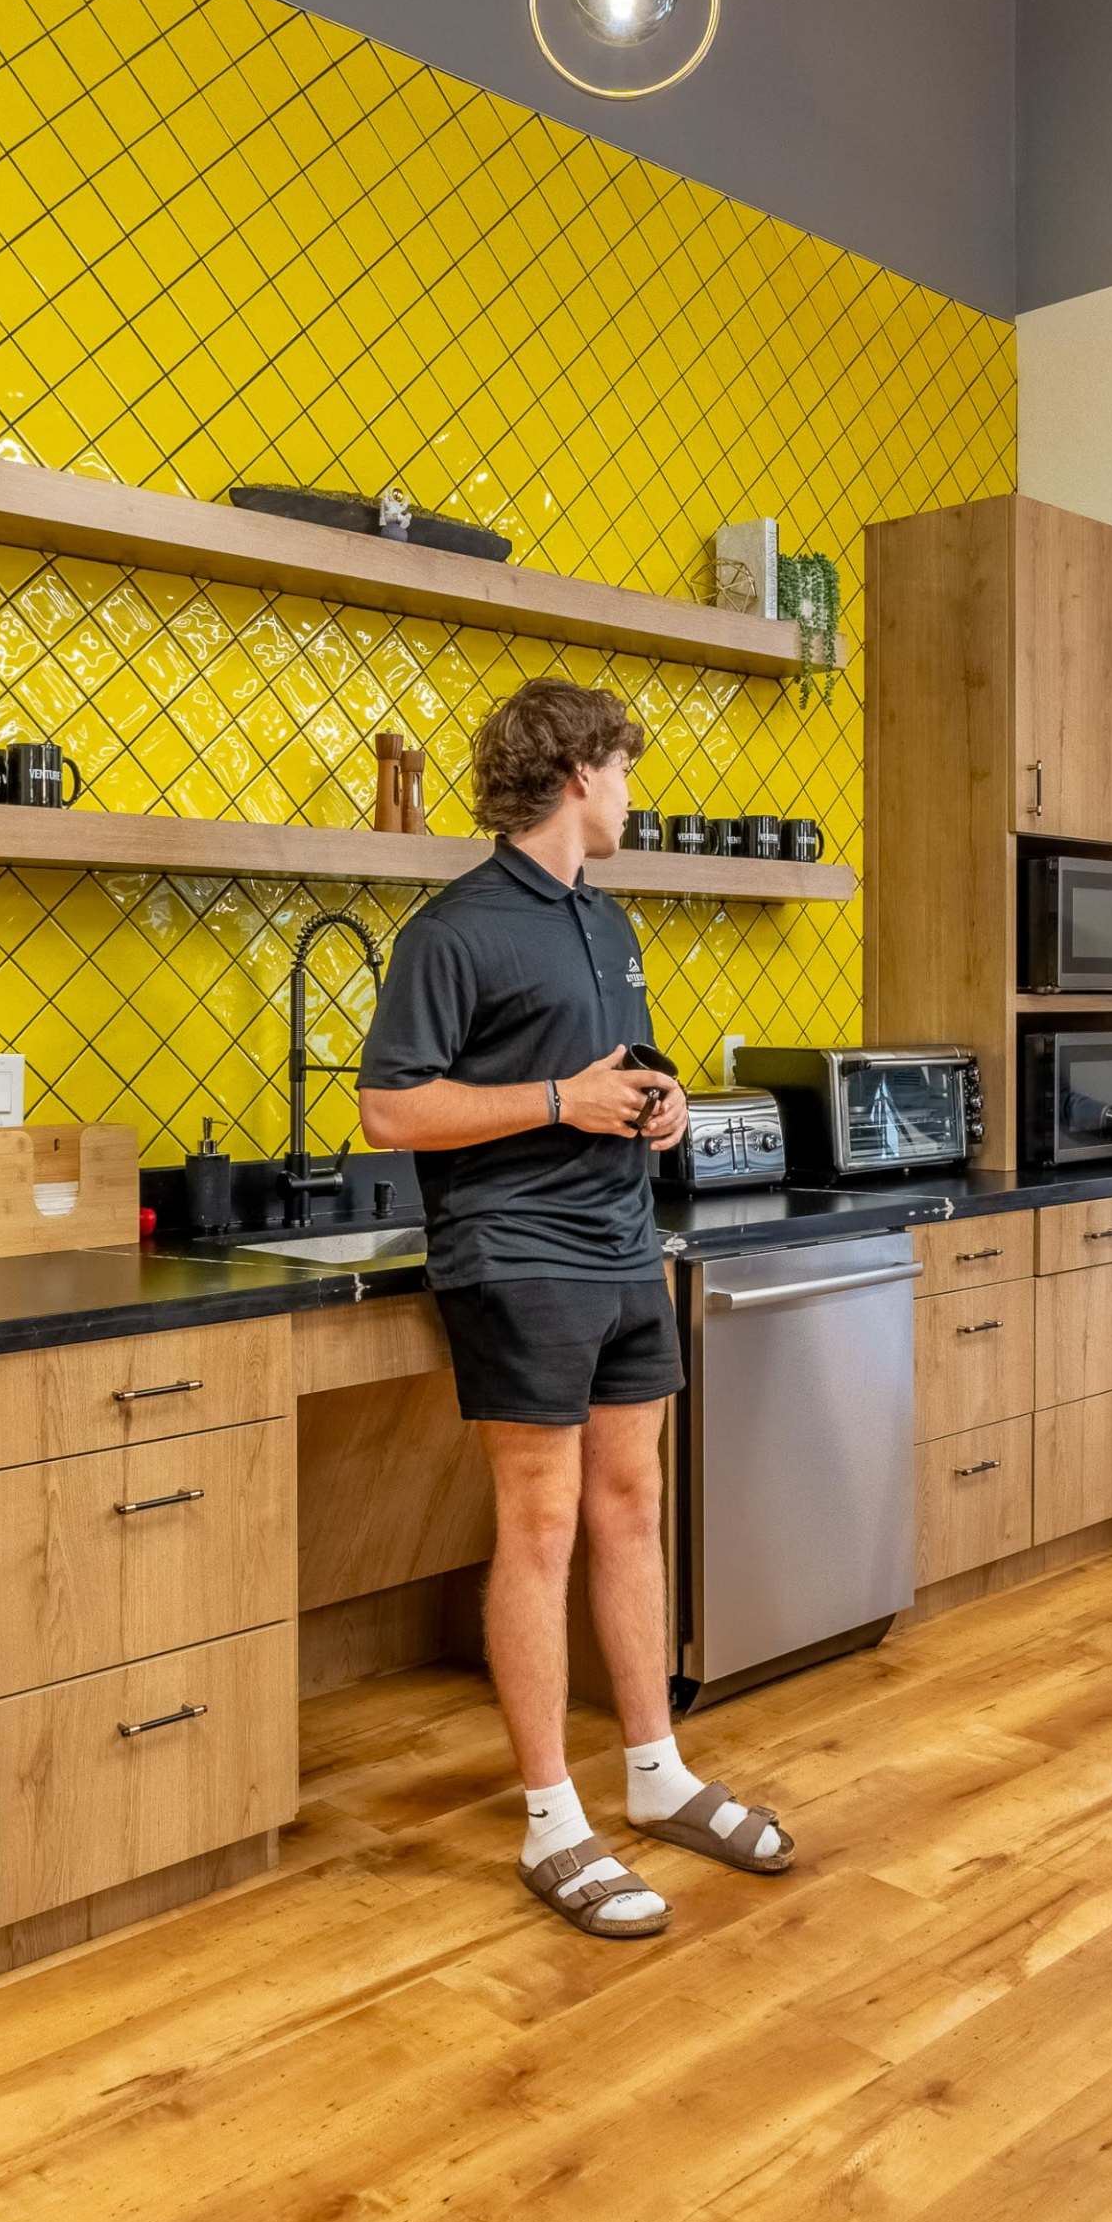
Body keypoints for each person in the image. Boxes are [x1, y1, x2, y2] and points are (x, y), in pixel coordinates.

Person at [357, 680, 798, 1937]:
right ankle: (554, 1819)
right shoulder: (453, 930)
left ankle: (656, 1775)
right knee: (540, 1525)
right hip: (517, 1254)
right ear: (575, 777)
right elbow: (391, 1111)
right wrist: (559, 1103)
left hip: (619, 1241)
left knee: (632, 1508)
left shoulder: (604, 924)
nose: (630, 793)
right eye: (622, 770)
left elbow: (616, 1074)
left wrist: (653, 1105)